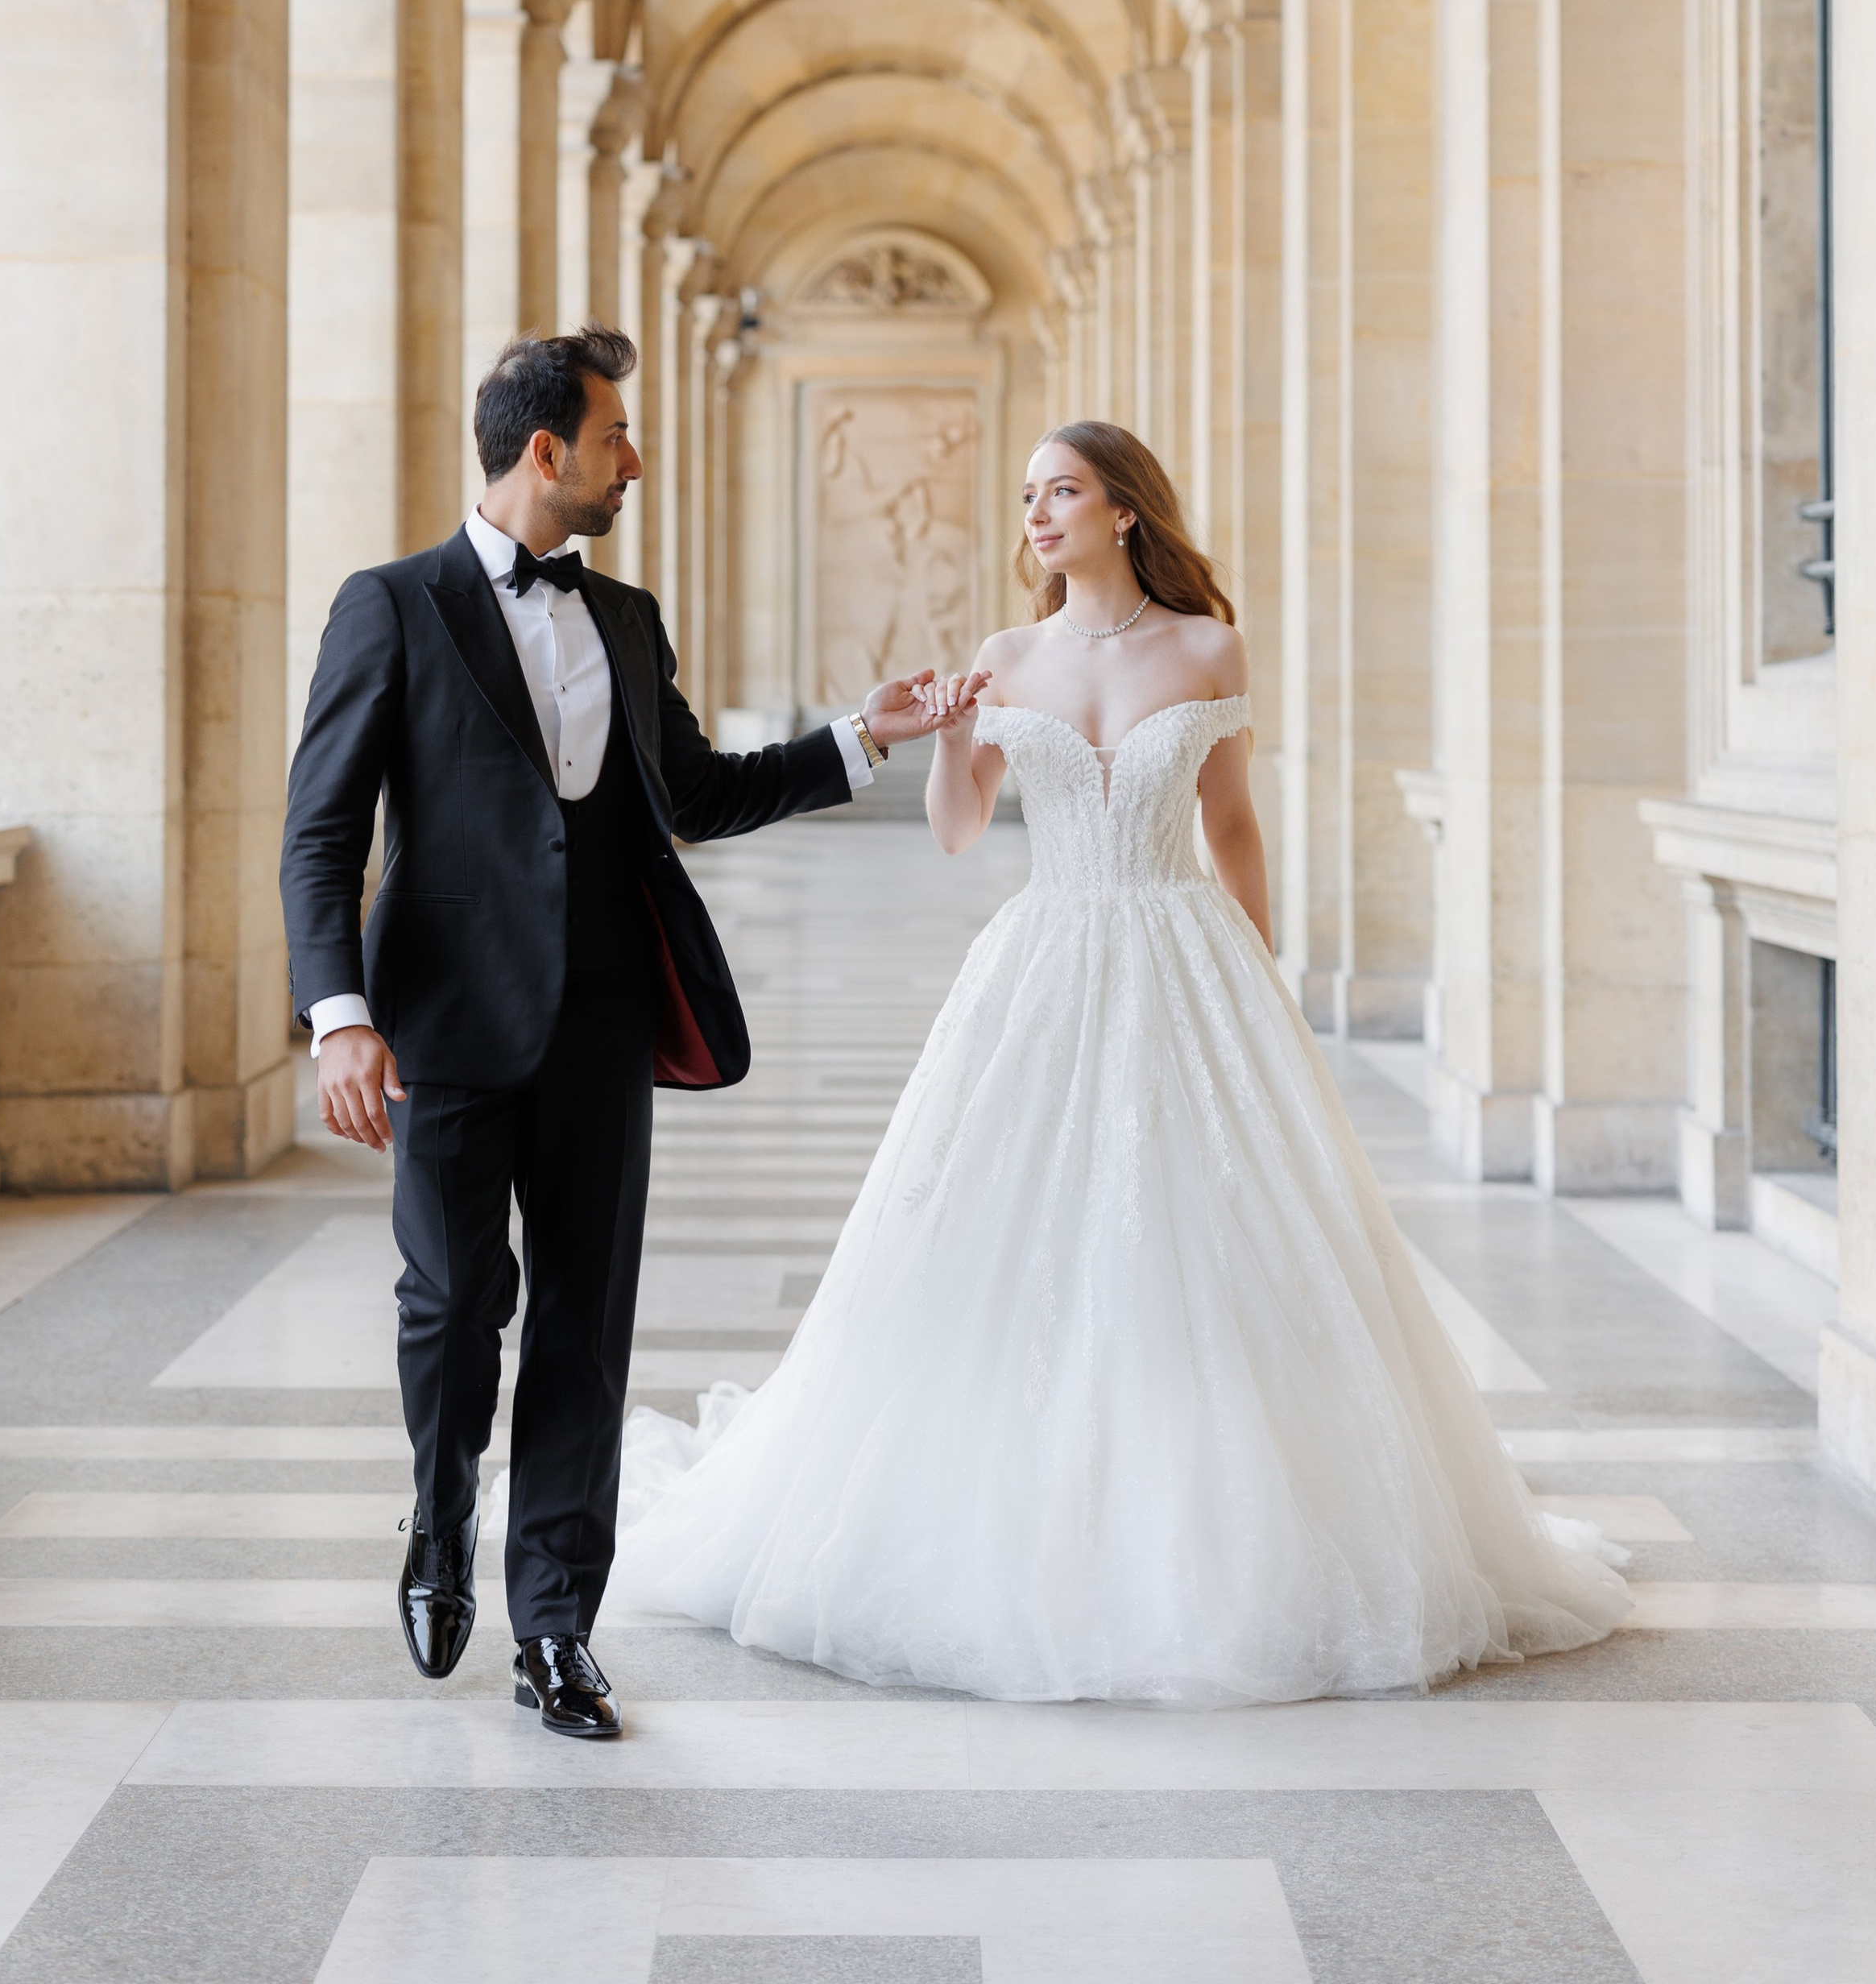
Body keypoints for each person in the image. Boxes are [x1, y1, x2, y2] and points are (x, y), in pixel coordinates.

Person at [613, 420, 1631, 1705]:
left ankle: (1220, 1510)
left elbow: (1234, 824)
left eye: (1063, 492)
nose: (1037, 515)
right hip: (1045, 955)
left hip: (1182, 948)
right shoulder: (1008, 655)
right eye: (1029, 496)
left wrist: (1258, 980)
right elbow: (958, 831)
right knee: (1018, 1235)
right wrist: (945, 738)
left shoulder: (1208, 648)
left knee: (1199, 1237)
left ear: (1125, 510)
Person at [278, 324, 975, 1739]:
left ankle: (555, 1627)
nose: (632, 462)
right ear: (546, 451)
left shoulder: (630, 617)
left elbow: (694, 792)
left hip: (603, 1021)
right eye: (614, 438)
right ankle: (437, 1507)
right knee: (454, 1306)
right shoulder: (391, 606)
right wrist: (339, 1014)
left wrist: (861, 737)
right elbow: (322, 829)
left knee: (586, 1333)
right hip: (448, 1025)